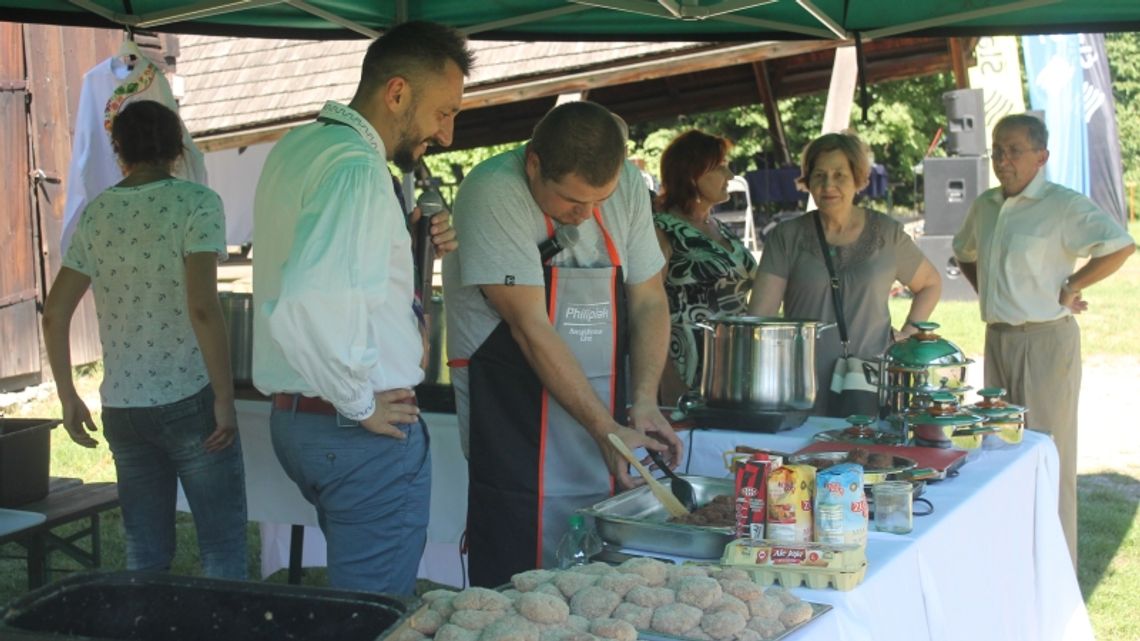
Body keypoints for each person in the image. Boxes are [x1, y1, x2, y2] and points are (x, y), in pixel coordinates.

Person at [251, 21, 472, 595]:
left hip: (300, 420)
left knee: (353, 602)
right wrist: (356, 403)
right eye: (443, 112)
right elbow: (309, 297)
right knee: (369, 614)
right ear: (397, 92)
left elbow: (338, 272)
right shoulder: (355, 167)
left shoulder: (303, 146)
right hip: (354, 428)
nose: (446, 135)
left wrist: (407, 238)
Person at [442, 101, 684, 587]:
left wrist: (644, 402)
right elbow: (530, 328)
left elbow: (648, 298)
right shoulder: (493, 192)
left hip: (602, 404)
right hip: (510, 403)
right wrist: (607, 431)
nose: (588, 215)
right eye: (573, 201)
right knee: (518, 580)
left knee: (599, 576)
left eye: (601, 200)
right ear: (533, 163)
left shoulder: (628, 188)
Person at [42, 100, 248, 579]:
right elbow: (202, 306)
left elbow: (54, 313)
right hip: (189, 399)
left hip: (123, 408)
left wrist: (69, 397)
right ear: (178, 148)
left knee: (146, 555)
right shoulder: (198, 204)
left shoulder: (96, 216)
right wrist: (224, 398)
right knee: (221, 546)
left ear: (119, 151)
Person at [952, 113, 1134, 568]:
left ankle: (1057, 572)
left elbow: (1119, 245)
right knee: (999, 453)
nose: (1003, 159)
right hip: (997, 341)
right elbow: (965, 252)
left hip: (1047, 342)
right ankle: (1013, 562)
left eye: (1014, 150)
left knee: (1048, 456)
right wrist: (994, 293)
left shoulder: (1063, 205)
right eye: (997, 150)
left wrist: (1072, 285)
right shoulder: (986, 205)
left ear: (1042, 156)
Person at [749, 131, 941, 416]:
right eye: (819, 175)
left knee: (871, 456)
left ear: (859, 179)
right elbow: (759, 318)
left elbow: (930, 283)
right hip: (803, 386)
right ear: (807, 181)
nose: (828, 185)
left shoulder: (885, 233)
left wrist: (909, 335)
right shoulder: (786, 237)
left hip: (871, 382)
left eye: (840, 175)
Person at [653, 130, 758, 405]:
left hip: (736, 363)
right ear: (692, 174)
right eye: (721, 167)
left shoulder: (717, 226)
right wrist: (664, 375)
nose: (731, 175)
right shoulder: (662, 229)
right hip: (687, 365)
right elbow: (648, 308)